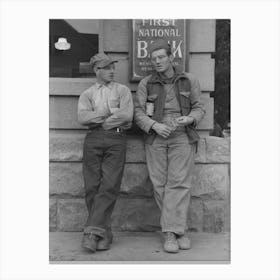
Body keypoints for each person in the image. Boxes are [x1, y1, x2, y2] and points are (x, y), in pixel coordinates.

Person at [134, 39, 205, 253]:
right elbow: (138, 112)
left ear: (171, 57)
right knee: (159, 184)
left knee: (179, 183)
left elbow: (200, 107)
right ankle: (177, 230)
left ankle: (171, 233)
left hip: (182, 135)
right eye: (154, 58)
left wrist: (190, 119)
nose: (157, 61)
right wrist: (154, 125)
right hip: (156, 136)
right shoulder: (146, 83)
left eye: (161, 57)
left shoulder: (189, 80)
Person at [77, 53, 133, 252]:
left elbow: (127, 115)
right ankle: (105, 233)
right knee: (92, 186)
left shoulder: (123, 90)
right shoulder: (87, 94)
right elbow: (82, 118)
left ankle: (91, 233)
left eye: (112, 67)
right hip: (92, 138)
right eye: (107, 67)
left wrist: (99, 118)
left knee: (109, 185)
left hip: (116, 139)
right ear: (96, 70)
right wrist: (108, 115)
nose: (112, 71)